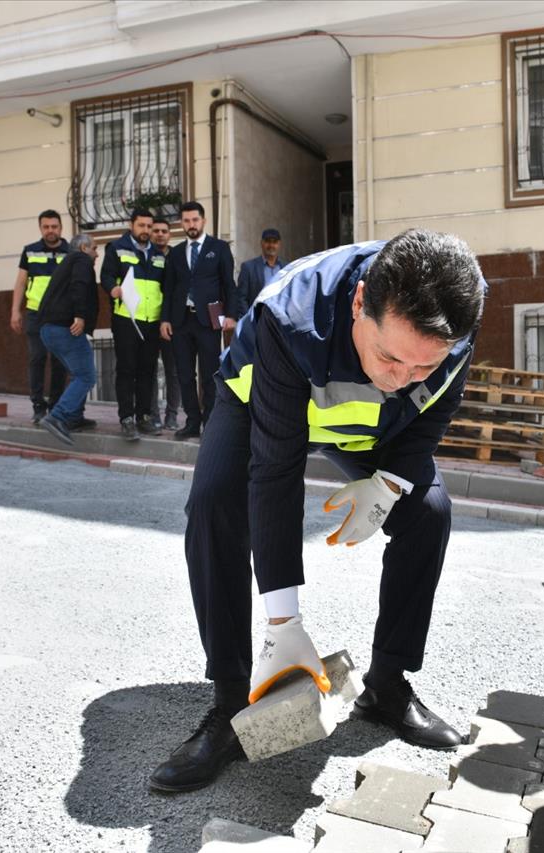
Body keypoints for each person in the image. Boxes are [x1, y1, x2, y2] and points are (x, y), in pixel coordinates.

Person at [148, 229, 484, 793]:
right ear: (359, 304)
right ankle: (232, 704)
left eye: (420, 368)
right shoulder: (292, 317)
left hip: (368, 427)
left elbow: (433, 409)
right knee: (214, 505)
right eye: (389, 357)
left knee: (428, 512)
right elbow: (275, 472)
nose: (400, 379)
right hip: (266, 397)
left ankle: (388, 685)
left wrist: (391, 483)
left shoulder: (459, 309)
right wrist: (285, 622)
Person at [160, 201, 235, 439]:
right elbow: (169, 288)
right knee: (184, 374)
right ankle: (192, 421)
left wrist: (232, 315)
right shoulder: (176, 252)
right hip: (181, 322)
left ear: (203, 221)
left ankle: (210, 423)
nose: (191, 225)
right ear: (181, 223)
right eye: (186, 221)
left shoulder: (219, 248)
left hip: (208, 322)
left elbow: (228, 284)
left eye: (195, 220)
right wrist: (165, 319)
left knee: (210, 373)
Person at [100, 208, 165, 441]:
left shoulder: (158, 255)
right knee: (127, 370)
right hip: (126, 318)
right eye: (142, 226)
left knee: (147, 371)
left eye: (149, 226)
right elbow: (106, 276)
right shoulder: (116, 248)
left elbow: (163, 288)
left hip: (151, 320)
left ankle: (143, 417)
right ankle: (126, 418)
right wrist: (112, 289)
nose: (146, 231)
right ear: (132, 225)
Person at [11, 210, 78, 428]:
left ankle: (56, 406)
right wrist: (15, 311)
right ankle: (38, 406)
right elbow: (21, 282)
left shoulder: (71, 251)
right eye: (46, 227)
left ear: (61, 227)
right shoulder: (30, 251)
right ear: (41, 228)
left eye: (54, 226)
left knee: (59, 362)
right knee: (37, 358)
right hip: (36, 314)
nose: (51, 230)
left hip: (62, 316)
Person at [36, 234, 100, 447]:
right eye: (94, 248)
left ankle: (74, 417)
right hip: (65, 328)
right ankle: (58, 417)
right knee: (86, 375)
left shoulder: (67, 263)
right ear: (83, 247)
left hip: (49, 329)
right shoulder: (81, 260)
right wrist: (80, 316)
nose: (97, 254)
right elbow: (79, 286)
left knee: (77, 374)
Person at [150, 217, 181, 431]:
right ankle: (153, 415)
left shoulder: (177, 257)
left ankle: (172, 416)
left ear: (169, 234)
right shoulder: (146, 255)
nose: (160, 234)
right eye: (156, 230)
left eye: (164, 231)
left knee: (174, 371)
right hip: (150, 321)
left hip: (172, 323)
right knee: (149, 371)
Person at [236, 228, 284, 313]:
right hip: (258, 320)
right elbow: (241, 297)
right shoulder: (248, 267)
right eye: (268, 241)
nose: (271, 245)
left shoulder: (286, 268)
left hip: (281, 321)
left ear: (279, 244)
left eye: (274, 242)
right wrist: (249, 320)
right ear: (261, 243)